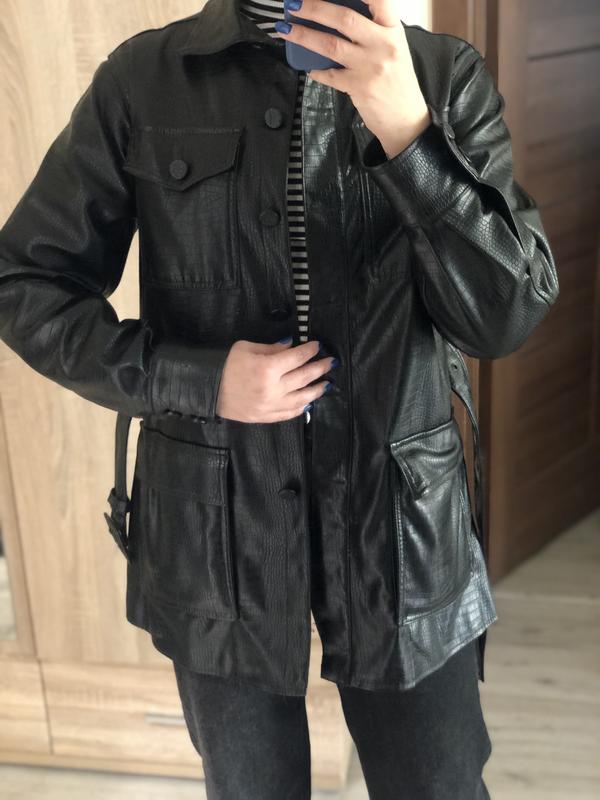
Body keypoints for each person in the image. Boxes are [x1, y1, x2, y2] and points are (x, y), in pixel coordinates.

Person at [0, 0, 559, 797]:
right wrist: (198, 379)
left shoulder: (441, 77)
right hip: (215, 535)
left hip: (403, 528)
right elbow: (26, 285)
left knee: (438, 783)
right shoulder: (146, 79)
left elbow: (504, 317)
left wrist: (411, 135)